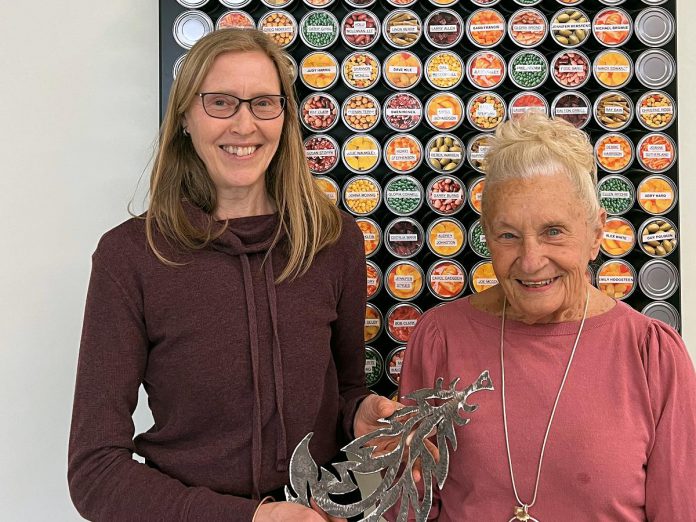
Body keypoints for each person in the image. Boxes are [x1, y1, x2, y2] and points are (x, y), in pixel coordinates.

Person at [68, 28, 395, 522]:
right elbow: (94, 471)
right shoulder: (129, 257)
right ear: (184, 117)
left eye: (264, 103)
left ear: (285, 118)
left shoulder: (333, 240)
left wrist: (359, 414)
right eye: (220, 102)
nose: (245, 125)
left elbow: (344, 390)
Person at [390, 113, 696, 521]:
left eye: (554, 231)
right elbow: (407, 509)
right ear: (486, 236)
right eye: (508, 235)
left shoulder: (651, 354)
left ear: (596, 234)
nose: (531, 261)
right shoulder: (439, 339)